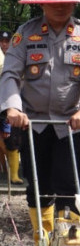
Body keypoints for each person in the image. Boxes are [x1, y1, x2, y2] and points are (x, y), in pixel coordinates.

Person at [0, 0, 80, 246]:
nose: (60, 6)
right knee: (37, 182)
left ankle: (71, 242)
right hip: (32, 122)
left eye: (66, 1)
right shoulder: (26, 33)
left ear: (74, 4)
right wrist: (12, 106)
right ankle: (42, 241)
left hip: (71, 122)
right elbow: (9, 73)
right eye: (53, 1)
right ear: (42, 3)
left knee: (70, 184)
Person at [0, 29, 23, 185]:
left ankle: (14, 174)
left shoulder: (18, 56)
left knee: (13, 138)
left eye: (7, 41)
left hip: (12, 102)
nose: (5, 44)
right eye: (2, 41)